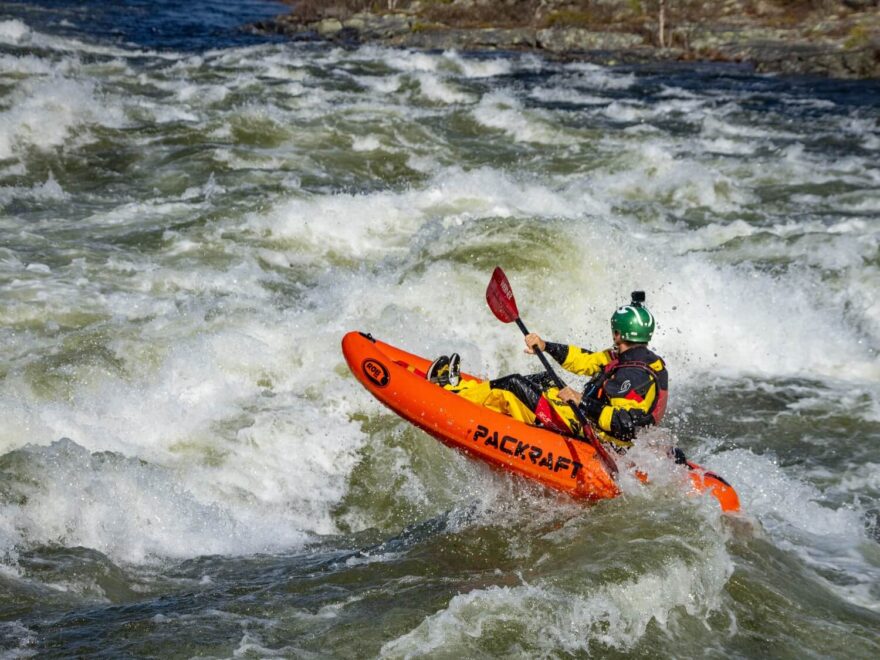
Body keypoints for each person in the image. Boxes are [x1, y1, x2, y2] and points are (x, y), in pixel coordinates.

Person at [427, 292, 668, 450]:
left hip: (598, 438)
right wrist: (546, 346)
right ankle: (468, 389)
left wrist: (581, 401)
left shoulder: (633, 376)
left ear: (618, 334)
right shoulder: (631, 358)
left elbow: (625, 424)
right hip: (588, 421)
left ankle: (451, 395)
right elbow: (584, 360)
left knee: (514, 385)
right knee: (543, 379)